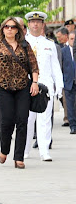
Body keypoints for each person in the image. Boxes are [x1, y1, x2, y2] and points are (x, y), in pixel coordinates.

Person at [0, 16, 39, 169]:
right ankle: (4, 149)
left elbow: (34, 66)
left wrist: (34, 82)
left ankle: (19, 157)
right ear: (3, 29)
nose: (10, 29)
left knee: (23, 120)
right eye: (7, 27)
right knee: (7, 121)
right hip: (3, 88)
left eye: (13, 27)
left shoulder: (24, 45)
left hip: (23, 88)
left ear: (18, 30)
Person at [24, 11, 63, 161]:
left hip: (45, 86)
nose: (35, 24)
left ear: (42, 24)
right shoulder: (23, 43)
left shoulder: (49, 44)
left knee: (45, 120)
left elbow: (55, 68)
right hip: (27, 86)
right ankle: (25, 149)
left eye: (38, 22)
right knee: (26, 120)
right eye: (33, 22)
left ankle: (44, 150)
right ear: (28, 24)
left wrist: (59, 87)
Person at [63, 32, 76, 135]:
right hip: (68, 82)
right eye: (71, 39)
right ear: (68, 39)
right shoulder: (64, 51)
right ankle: (73, 126)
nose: (73, 41)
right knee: (70, 105)